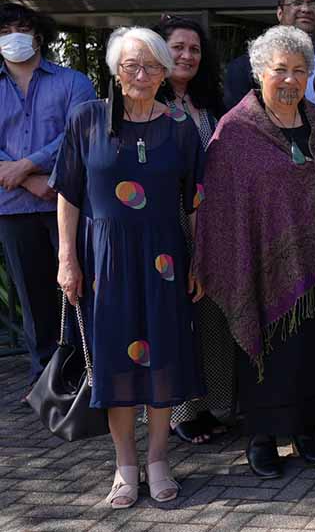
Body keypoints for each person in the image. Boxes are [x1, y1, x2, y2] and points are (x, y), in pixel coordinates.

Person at [195, 25, 315, 480]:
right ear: (260, 73)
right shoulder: (236, 130)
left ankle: (307, 431)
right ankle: (263, 436)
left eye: (299, 71)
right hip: (262, 266)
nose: (290, 80)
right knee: (270, 351)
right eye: (280, 70)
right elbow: (222, 208)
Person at [51, 27, 205, 507]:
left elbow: (196, 202)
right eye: (132, 66)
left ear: (164, 73)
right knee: (115, 364)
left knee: (160, 360)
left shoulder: (179, 126)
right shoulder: (87, 119)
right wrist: (67, 258)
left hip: (163, 262)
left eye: (153, 66)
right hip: (105, 264)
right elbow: (68, 193)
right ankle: (125, 466)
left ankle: (158, 459)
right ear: (116, 71)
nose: (142, 75)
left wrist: (199, 259)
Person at [0, 3, 95, 386]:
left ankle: (85, 373)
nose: (14, 38)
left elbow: (80, 133)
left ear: (38, 34)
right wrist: (26, 178)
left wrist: (26, 166)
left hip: (66, 202)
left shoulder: (72, 82)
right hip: (11, 207)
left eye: (21, 28)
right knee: (32, 296)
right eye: (5, 31)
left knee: (75, 288)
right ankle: (45, 380)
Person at [151, 16, 234, 445]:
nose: (186, 55)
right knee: (172, 319)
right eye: (177, 47)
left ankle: (215, 404)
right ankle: (181, 411)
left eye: (194, 49)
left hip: (210, 224)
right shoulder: (146, 102)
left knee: (212, 317)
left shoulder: (210, 106)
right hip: (164, 225)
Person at [224, 0, 315, 108]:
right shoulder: (244, 68)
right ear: (280, 13)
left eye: (312, 4)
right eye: (296, 3)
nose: (305, 9)